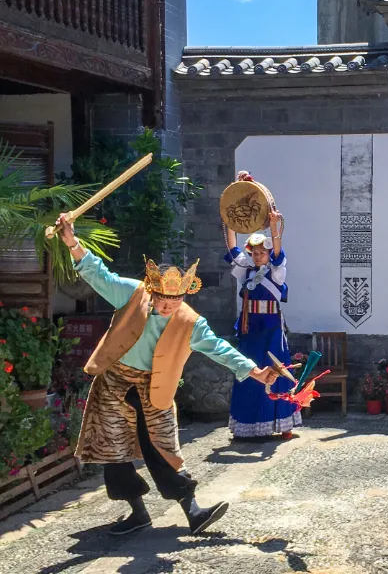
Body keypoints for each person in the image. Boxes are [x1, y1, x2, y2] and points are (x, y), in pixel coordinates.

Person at [55, 212, 279, 536]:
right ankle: (137, 512)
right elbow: (97, 274)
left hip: (154, 387)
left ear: (183, 297)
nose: (167, 308)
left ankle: (193, 510)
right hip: (115, 382)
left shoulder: (190, 322)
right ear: (153, 290)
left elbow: (218, 348)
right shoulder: (132, 294)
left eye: (175, 302)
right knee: (113, 449)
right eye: (162, 301)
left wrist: (254, 371)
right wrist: (72, 243)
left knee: (163, 446)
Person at [224, 206, 300, 439]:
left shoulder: (276, 273)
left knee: (277, 371)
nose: (258, 256)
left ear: (268, 254)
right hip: (249, 329)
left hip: (271, 329)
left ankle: (284, 424)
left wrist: (274, 226)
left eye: (262, 253)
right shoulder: (245, 272)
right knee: (247, 369)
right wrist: (229, 224)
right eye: (254, 253)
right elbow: (233, 250)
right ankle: (247, 426)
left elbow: (278, 254)